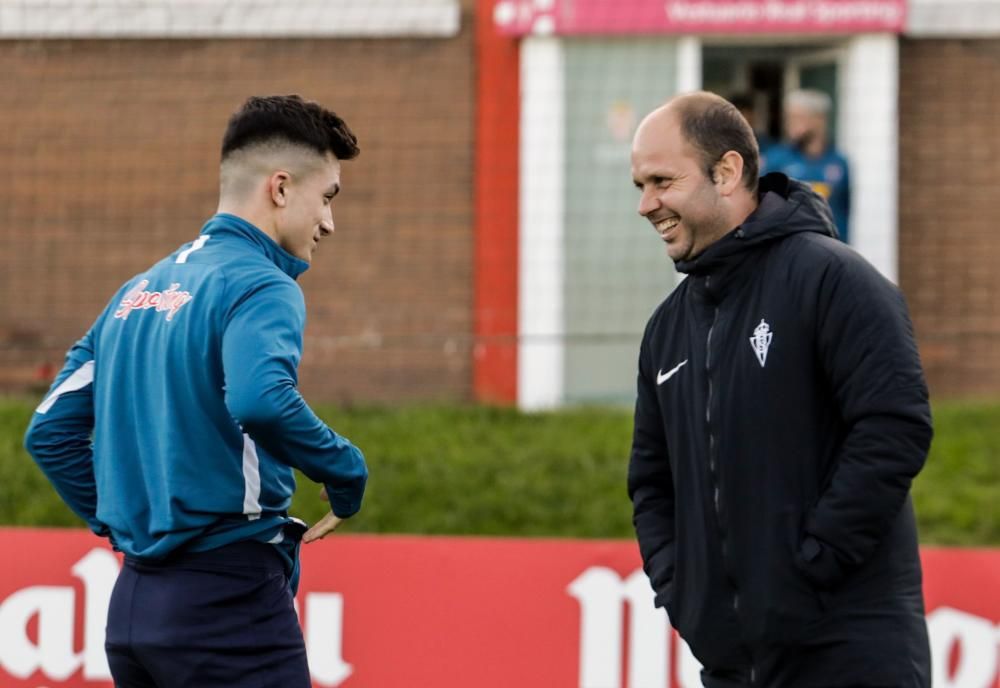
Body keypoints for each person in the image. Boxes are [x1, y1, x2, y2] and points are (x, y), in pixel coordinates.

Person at [24, 94, 369, 687]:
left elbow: (50, 430)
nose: (330, 222)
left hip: (133, 605)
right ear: (281, 188)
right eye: (328, 197)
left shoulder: (137, 290)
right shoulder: (263, 284)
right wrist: (345, 469)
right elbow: (261, 399)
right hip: (227, 604)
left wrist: (136, 527)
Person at [627, 91, 932, 687]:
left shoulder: (836, 280)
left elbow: (894, 427)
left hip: (849, 653)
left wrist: (811, 565)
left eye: (661, 180)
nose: (646, 204)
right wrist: (688, 593)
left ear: (728, 171)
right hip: (733, 663)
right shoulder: (666, 329)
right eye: (639, 185)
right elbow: (650, 483)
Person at [763, 88, 851, 243]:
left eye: (798, 117)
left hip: (833, 252)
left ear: (820, 119)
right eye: (789, 118)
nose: (790, 124)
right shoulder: (776, 160)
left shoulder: (839, 162)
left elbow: (844, 210)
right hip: (793, 252)